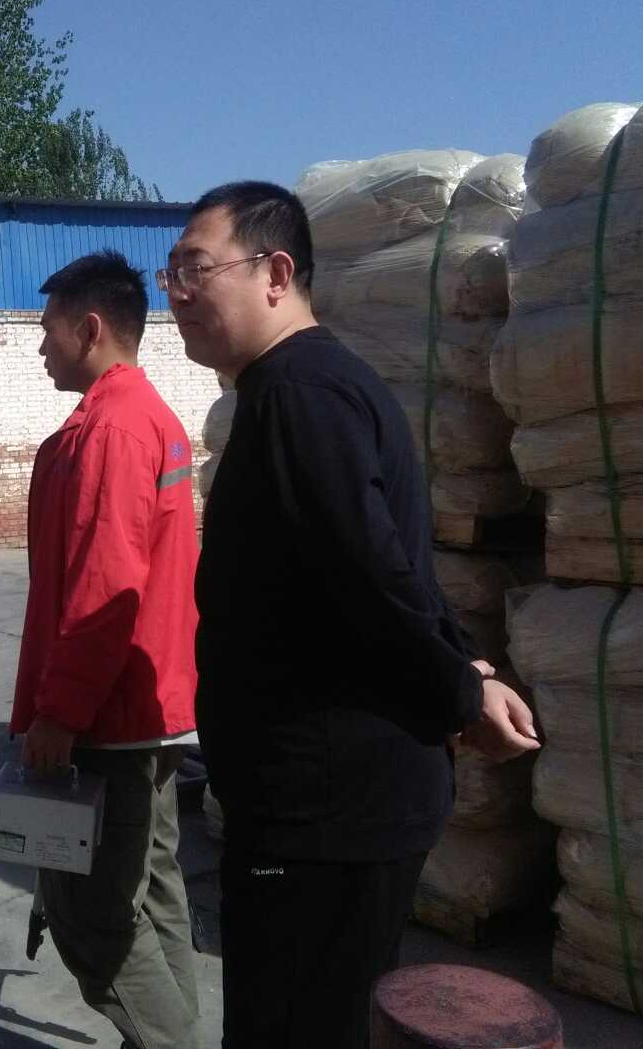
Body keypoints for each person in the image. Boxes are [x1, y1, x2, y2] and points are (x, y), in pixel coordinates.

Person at [163, 183, 540, 1048]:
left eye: (195, 269)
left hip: (324, 810)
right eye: (170, 274)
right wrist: (463, 666)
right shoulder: (299, 388)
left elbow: (368, 577)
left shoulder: (301, 396)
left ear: (275, 273)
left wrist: (457, 692)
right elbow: (385, 562)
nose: (177, 293)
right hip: (322, 802)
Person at [10, 250, 202, 1049]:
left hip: (109, 717)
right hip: (144, 706)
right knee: (150, 890)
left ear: (90, 329)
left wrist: (59, 712)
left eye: (48, 330)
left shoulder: (114, 429)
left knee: (92, 914)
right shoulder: (136, 417)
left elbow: (106, 584)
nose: (40, 347)